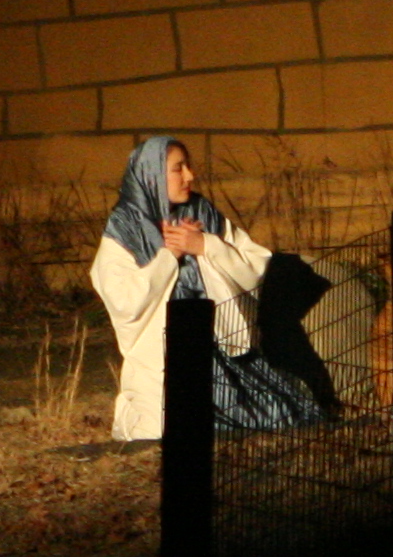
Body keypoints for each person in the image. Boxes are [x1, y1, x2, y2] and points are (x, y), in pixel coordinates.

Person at [89, 134, 330, 441]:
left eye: (188, 166)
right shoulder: (124, 228)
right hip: (168, 353)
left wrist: (206, 246)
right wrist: (169, 256)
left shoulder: (202, 212)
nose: (189, 175)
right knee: (174, 423)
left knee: (279, 415)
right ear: (152, 175)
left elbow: (255, 265)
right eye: (178, 168)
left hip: (220, 344)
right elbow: (124, 301)